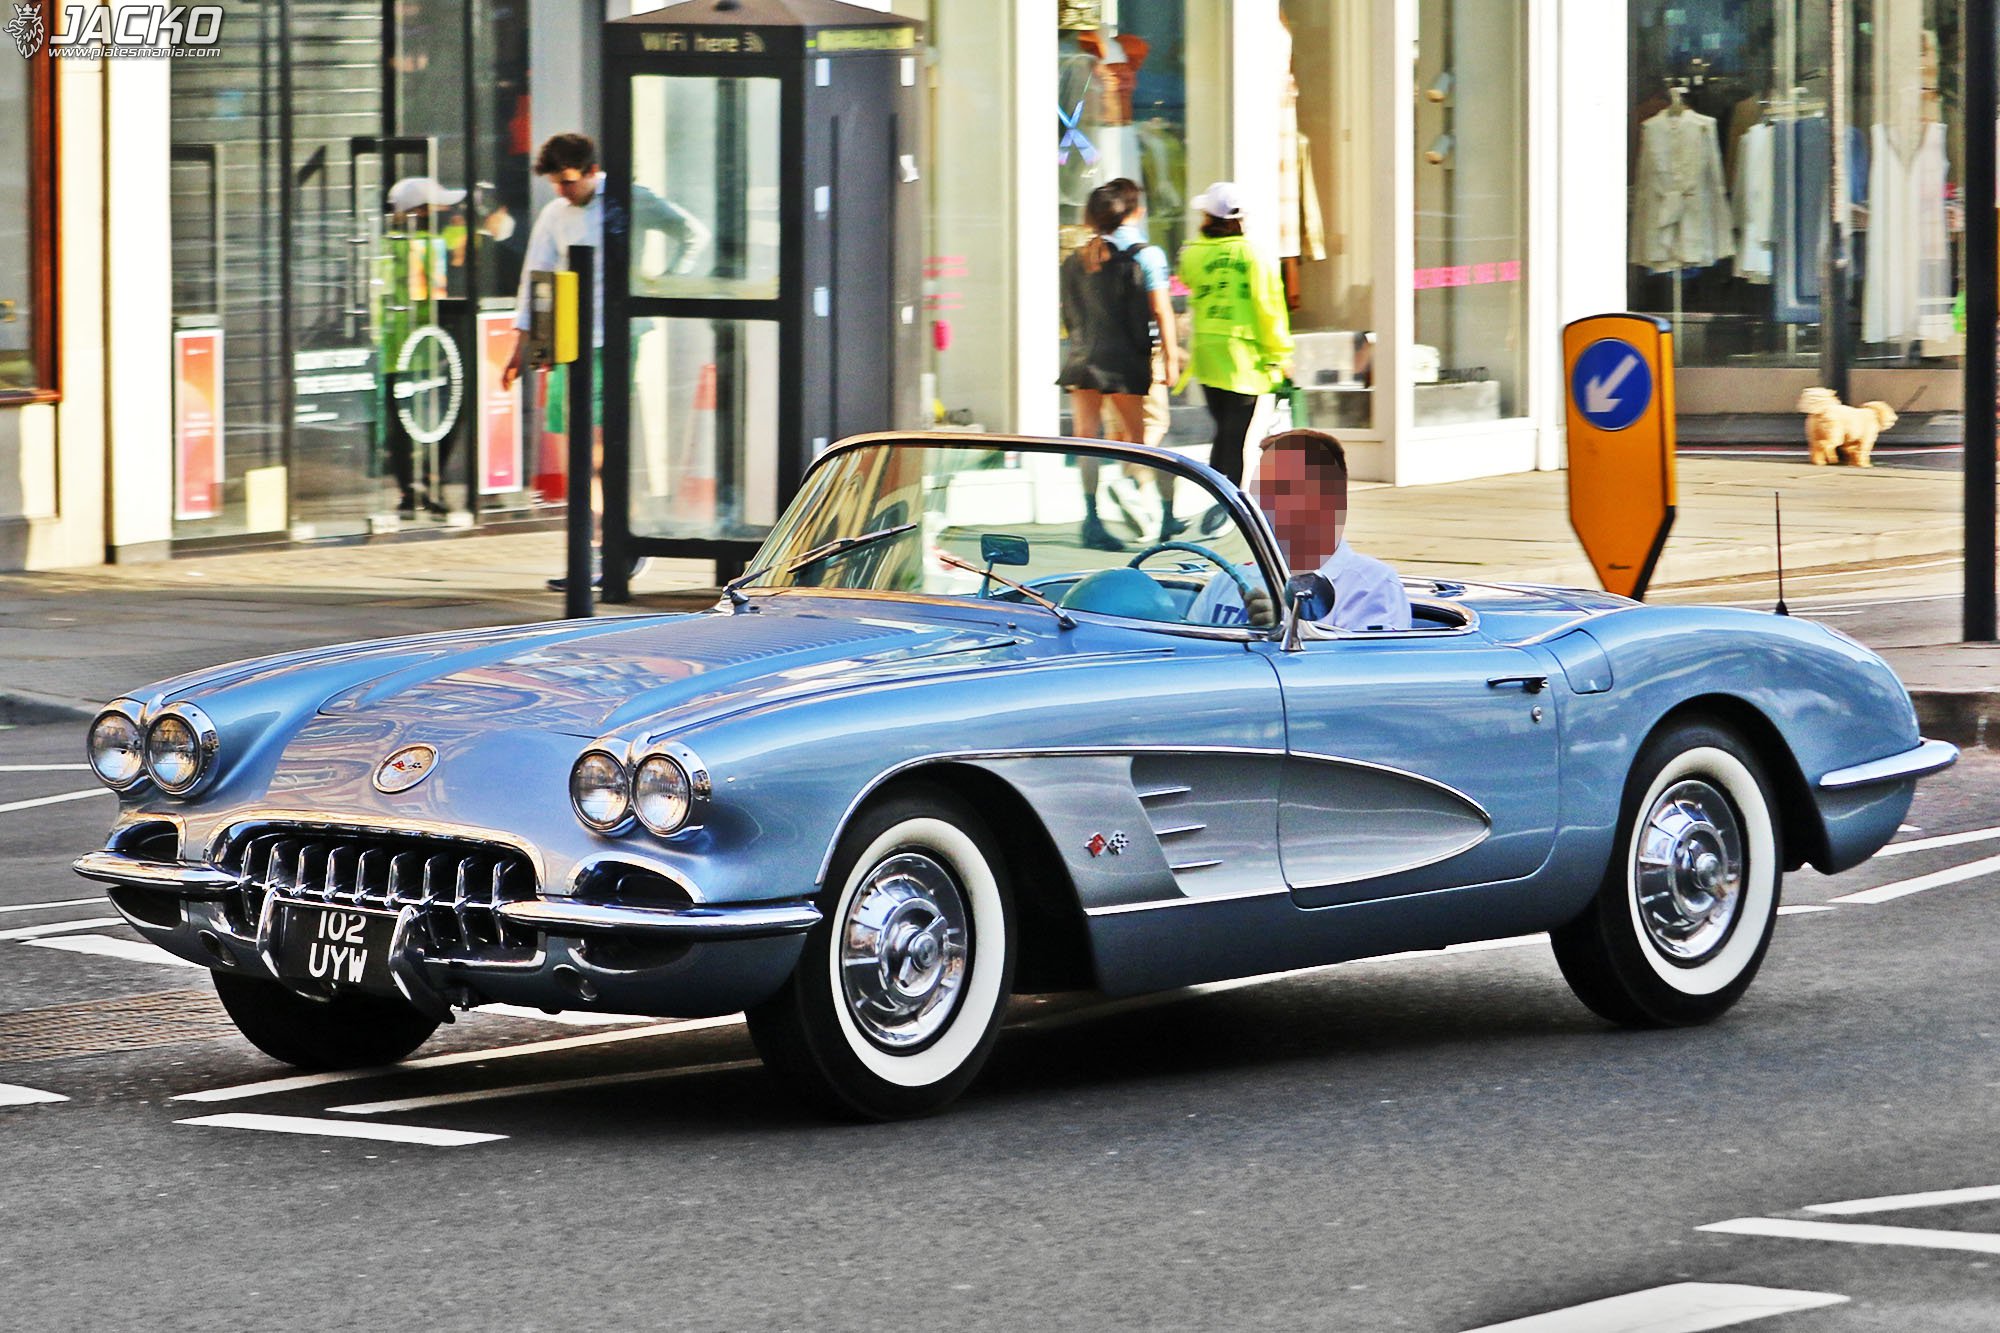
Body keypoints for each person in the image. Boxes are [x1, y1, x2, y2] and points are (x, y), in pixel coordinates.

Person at [499, 133, 709, 590]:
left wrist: (666, 283)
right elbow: (535, 279)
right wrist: (524, 346)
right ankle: (596, 549)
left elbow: (691, 232)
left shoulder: (628, 200)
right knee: (574, 452)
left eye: (569, 181)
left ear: (592, 171)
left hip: (612, 338)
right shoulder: (555, 214)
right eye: (556, 183)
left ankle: (615, 545)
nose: (563, 191)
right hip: (566, 345)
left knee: (595, 450)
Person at [1187, 429, 1411, 632]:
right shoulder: (1230, 579)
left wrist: (1287, 626)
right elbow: (1188, 652)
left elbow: (1365, 672)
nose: (1265, 502)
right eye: (1262, 488)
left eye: (1284, 489)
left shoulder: (1372, 584)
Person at [1059, 178, 1181, 551]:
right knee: (1143, 440)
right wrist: (1173, 358)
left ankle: (1092, 518)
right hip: (1126, 359)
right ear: (1132, 212)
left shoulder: (1076, 258)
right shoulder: (1146, 254)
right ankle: (1156, 507)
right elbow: (1161, 310)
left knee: (1086, 438)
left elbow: (1070, 311)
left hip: (1083, 359)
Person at [1178, 181, 1293, 488]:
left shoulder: (1192, 254)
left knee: (1224, 432)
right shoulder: (1255, 256)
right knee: (1234, 436)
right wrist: (1281, 355)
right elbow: (1268, 307)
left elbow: (1189, 277)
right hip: (1244, 358)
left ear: (1208, 217)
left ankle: (1218, 501)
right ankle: (1228, 508)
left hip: (1207, 355)